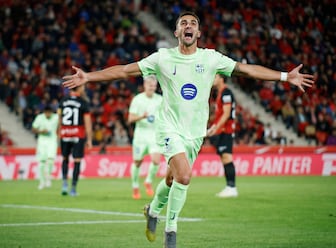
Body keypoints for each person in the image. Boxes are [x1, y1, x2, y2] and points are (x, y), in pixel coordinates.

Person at [62, 11, 314, 248]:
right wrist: (89, 76)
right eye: (183, 23)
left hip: (195, 134)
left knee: (172, 179)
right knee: (184, 176)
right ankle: (171, 231)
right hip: (169, 127)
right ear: (176, 32)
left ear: (199, 33)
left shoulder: (211, 58)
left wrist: (284, 77)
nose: (188, 26)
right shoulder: (161, 57)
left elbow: (246, 70)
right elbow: (124, 70)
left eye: (192, 23)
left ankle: (152, 210)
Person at [128, 75, 163, 199]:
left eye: (154, 86)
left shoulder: (159, 99)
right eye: (150, 85)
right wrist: (142, 116)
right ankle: (135, 186)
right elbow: (130, 119)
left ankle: (148, 181)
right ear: (144, 85)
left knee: (156, 160)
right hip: (141, 135)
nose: (152, 88)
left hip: (154, 134)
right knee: (138, 162)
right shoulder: (138, 99)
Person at [58, 85, 92, 196]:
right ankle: (73, 188)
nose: (84, 89)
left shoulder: (63, 101)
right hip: (78, 135)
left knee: (65, 158)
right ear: (78, 88)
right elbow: (87, 123)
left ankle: (64, 184)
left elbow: (59, 118)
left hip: (65, 133)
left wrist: (59, 132)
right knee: (77, 161)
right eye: (82, 87)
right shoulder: (83, 102)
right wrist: (89, 139)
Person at [207, 74, 238, 198]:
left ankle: (231, 187)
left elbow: (226, 114)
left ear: (221, 78)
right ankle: (230, 187)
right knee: (224, 158)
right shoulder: (221, 93)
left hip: (226, 130)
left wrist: (215, 127)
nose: (213, 79)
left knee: (227, 157)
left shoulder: (226, 93)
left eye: (215, 76)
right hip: (222, 130)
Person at [31, 105, 59, 190]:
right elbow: (33, 129)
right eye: (46, 113)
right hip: (42, 142)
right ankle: (42, 182)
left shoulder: (56, 117)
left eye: (49, 113)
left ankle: (48, 178)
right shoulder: (39, 118)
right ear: (44, 112)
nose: (48, 115)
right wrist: (41, 131)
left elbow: (62, 123)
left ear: (51, 112)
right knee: (42, 162)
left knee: (51, 160)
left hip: (52, 141)